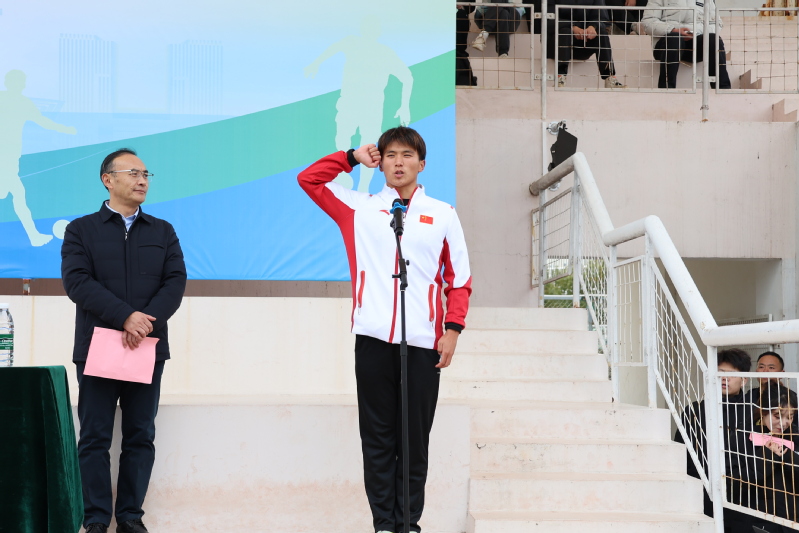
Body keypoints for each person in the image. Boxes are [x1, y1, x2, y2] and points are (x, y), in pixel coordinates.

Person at [298, 126, 472, 533]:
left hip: (424, 343)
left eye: (407, 155)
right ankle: (383, 524)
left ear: (421, 164)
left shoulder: (443, 214)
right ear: (381, 163)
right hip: (373, 340)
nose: (398, 162)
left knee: (414, 439)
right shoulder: (358, 208)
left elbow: (459, 279)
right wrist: (350, 158)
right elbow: (309, 179)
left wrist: (452, 328)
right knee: (377, 439)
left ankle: (408, 522)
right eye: (390, 154)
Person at [61, 148, 187, 533]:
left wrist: (144, 323)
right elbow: (78, 282)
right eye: (133, 173)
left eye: (146, 174)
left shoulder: (162, 231)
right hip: (99, 346)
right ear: (108, 180)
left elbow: (175, 282)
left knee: (140, 435)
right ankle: (96, 519)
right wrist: (124, 316)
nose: (142, 180)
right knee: (94, 437)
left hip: (146, 347)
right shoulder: (81, 230)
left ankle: (130, 517)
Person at [304, 16, 413, 193]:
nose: (369, 31)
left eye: (373, 28)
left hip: (372, 106)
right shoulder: (352, 42)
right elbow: (332, 49)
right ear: (362, 29)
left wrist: (405, 106)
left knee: (370, 149)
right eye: (367, 27)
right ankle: (341, 174)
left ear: (378, 32)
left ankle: (364, 187)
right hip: (349, 102)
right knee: (342, 138)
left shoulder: (384, 52)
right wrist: (315, 63)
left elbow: (407, 77)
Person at [673, 348, 754, 532]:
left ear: (744, 379)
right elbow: (680, 452)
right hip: (700, 492)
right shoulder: (694, 411)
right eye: (720, 373)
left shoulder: (752, 412)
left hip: (742, 495)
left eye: (732, 374)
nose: (724, 379)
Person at [0, 70, 76, 246]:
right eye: (21, 81)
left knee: (13, 194)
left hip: (11, 158)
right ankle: (34, 237)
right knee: (18, 194)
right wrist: (67, 129)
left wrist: (65, 129)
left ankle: (34, 236)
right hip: (6, 158)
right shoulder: (17, 101)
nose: (23, 84)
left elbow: (44, 122)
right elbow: (44, 122)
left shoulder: (23, 102)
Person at [733, 384, 799, 531]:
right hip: (756, 520)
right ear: (763, 411)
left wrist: (787, 456)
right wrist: (768, 455)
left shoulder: (795, 438)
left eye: (790, 417)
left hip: (791, 522)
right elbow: (737, 481)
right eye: (777, 416)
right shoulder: (743, 437)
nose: (783, 423)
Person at [641, 0, 732, 89]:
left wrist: (693, 32)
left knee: (713, 39)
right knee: (675, 37)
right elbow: (648, 22)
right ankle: (667, 89)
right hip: (666, 45)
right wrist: (673, 30)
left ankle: (723, 89)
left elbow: (717, 24)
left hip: (694, 45)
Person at [545, 0, 627, 88]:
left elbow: (603, 18)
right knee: (566, 32)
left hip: (583, 43)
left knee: (601, 33)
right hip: (556, 45)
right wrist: (573, 27)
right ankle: (560, 77)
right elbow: (548, 19)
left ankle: (610, 78)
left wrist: (593, 27)